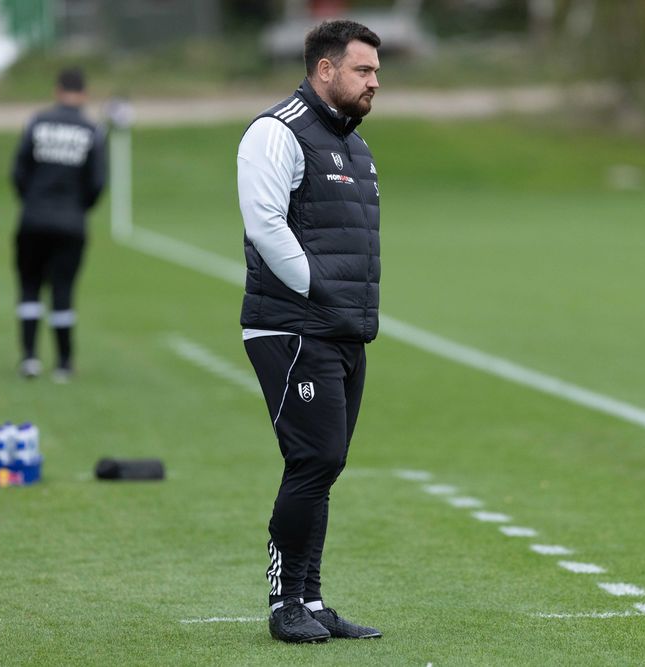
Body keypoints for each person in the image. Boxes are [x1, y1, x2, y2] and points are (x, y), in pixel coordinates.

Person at [237, 19, 383, 643]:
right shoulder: (276, 132)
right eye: (364, 70)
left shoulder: (354, 145)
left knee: (327, 464)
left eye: (376, 71)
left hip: (343, 329)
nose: (376, 81)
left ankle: (312, 600)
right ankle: (283, 601)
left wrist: (349, 309)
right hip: (291, 326)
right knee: (313, 457)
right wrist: (319, 292)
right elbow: (266, 225)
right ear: (326, 69)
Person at [11, 68, 106, 382]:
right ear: (84, 93)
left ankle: (29, 359)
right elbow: (97, 182)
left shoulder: (37, 122)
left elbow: (18, 171)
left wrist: (32, 200)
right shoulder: (92, 130)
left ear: (57, 90)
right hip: (70, 223)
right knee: (63, 290)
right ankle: (64, 363)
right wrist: (77, 208)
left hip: (33, 219)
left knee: (29, 287)